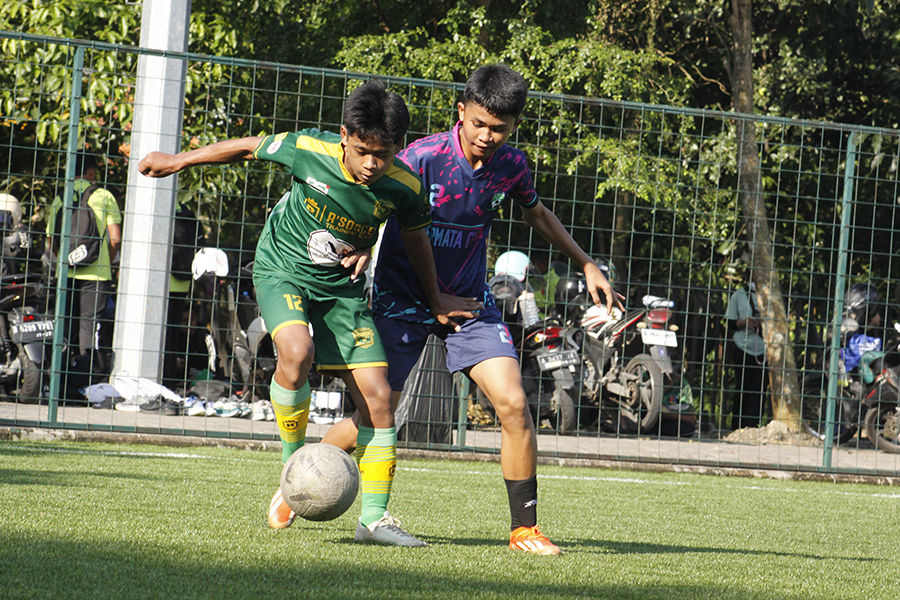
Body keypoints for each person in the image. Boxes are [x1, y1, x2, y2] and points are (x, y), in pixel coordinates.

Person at [138, 80, 480, 547]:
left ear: (398, 148)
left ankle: (373, 522)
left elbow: (416, 239)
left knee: (380, 400)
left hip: (341, 291)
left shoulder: (405, 187)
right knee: (296, 352)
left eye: (382, 155)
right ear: (344, 136)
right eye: (362, 152)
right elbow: (247, 146)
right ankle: (292, 470)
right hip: (283, 271)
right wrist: (178, 160)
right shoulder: (309, 149)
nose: (372, 164)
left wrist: (435, 297)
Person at [322, 64, 620, 555]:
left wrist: (586, 262)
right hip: (401, 300)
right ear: (461, 111)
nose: (486, 135)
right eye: (478, 123)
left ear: (514, 125)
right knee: (375, 413)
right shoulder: (420, 159)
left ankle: (524, 529)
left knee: (514, 403)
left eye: (498, 128)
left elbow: (537, 214)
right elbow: (367, 199)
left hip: (467, 304)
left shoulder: (512, 166)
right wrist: (361, 246)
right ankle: (303, 477)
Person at [46, 152, 123, 369]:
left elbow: (51, 239)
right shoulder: (103, 196)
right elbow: (115, 239)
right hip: (96, 274)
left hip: (66, 272)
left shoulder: (61, 197)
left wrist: (66, 260)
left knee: (65, 325)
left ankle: (60, 375)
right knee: (89, 326)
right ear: (90, 172)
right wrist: (105, 260)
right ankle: (86, 375)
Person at [725, 278, 767, 430]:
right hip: (742, 347)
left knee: (759, 389)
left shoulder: (769, 296)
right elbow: (730, 322)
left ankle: (753, 426)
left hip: (764, 350)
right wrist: (744, 322)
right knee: (742, 387)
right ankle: (737, 426)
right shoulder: (738, 295)